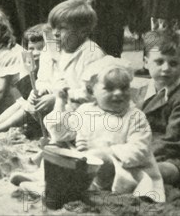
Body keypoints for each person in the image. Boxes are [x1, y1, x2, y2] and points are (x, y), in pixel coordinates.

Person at [43, 56, 165, 201]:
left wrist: (104, 153)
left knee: (96, 160)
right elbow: (60, 133)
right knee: (55, 147)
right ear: (92, 91)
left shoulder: (134, 116)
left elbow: (140, 149)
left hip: (125, 173)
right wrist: (60, 102)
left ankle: (69, 188)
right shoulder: (86, 110)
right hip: (90, 170)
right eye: (109, 88)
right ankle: (44, 181)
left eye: (124, 87)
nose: (119, 93)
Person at [140, 29, 180, 187]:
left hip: (179, 159)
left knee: (154, 172)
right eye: (159, 61)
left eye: (173, 63)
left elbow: (173, 143)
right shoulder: (143, 91)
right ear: (146, 62)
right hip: (142, 151)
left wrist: (136, 155)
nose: (166, 68)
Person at [29, 0, 106, 117]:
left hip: (82, 115)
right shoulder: (56, 50)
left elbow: (92, 95)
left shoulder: (92, 54)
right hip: (59, 111)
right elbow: (47, 80)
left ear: (83, 32)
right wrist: (42, 90)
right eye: (53, 27)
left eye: (62, 28)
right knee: (24, 105)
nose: (55, 33)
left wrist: (57, 98)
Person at [0, 23, 47, 134]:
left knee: (27, 106)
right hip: (32, 109)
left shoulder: (52, 69)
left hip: (46, 114)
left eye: (41, 48)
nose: (35, 53)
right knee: (21, 104)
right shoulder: (32, 67)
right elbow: (22, 96)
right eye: (31, 49)